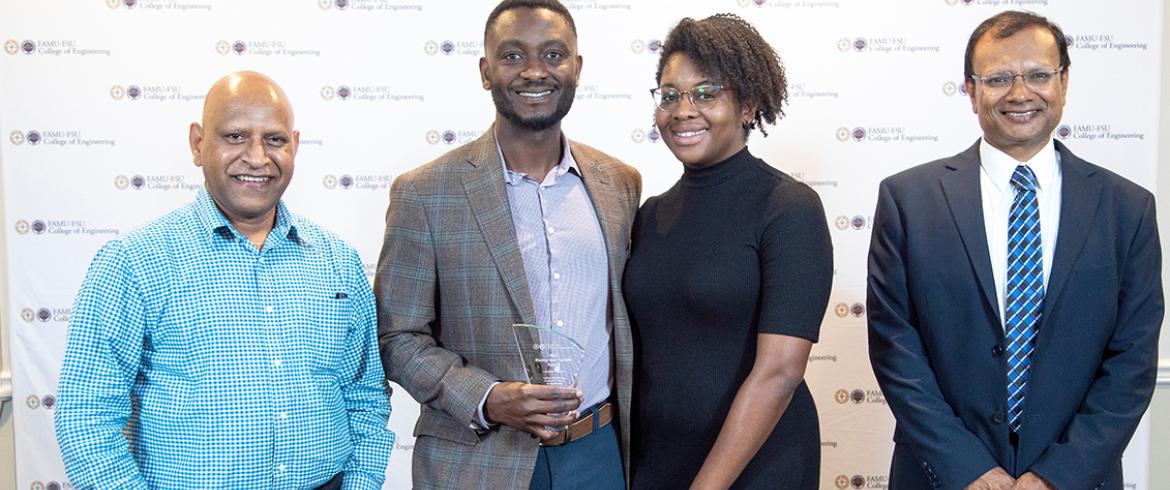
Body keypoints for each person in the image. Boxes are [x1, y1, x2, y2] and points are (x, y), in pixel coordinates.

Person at [54, 71, 395, 490]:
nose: (256, 157)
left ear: (295, 146)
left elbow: (365, 397)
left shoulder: (338, 261)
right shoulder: (133, 263)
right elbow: (86, 418)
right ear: (198, 144)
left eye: (274, 139)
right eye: (235, 137)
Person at [867, 11, 1162, 490]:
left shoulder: (1126, 209)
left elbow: (1132, 362)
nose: (1020, 93)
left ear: (1064, 83)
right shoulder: (908, 200)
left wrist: (1054, 477)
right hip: (942, 476)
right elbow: (894, 347)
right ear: (970, 90)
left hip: (1077, 479)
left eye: (1039, 75)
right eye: (999, 78)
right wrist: (969, 470)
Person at [375, 1, 641, 489]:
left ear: (577, 69)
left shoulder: (620, 184)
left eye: (554, 54)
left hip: (600, 455)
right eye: (513, 56)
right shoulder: (426, 192)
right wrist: (487, 396)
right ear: (485, 70)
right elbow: (398, 337)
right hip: (477, 462)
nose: (535, 71)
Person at [622, 14, 832, 489]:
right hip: (657, 462)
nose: (683, 110)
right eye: (670, 94)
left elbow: (780, 373)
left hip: (758, 464)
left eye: (706, 93)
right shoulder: (650, 214)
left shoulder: (788, 207)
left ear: (749, 106)